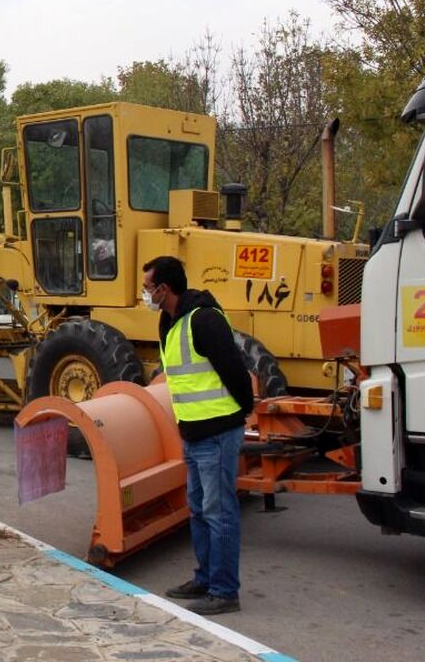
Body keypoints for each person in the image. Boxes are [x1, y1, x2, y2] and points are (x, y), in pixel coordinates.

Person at [143, 255, 253, 616]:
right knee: (199, 509)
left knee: (219, 512)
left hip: (218, 431)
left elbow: (235, 370)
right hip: (192, 433)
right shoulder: (169, 321)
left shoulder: (203, 320)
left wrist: (240, 412)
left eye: (148, 288)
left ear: (164, 288)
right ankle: (205, 578)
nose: (145, 294)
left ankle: (224, 590)